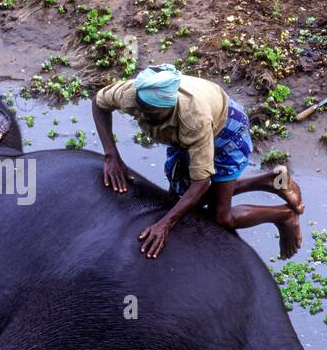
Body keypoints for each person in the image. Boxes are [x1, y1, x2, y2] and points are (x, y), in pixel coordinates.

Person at [91, 64, 304, 259]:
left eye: (152, 114)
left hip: (225, 130)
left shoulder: (193, 120)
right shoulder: (131, 94)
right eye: (141, 109)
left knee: (221, 216)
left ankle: (283, 216)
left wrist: (165, 224)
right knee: (178, 199)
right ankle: (271, 180)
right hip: (182, 136)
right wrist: (112, 155)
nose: (143, 118)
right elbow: (99, 103)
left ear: (170, 107)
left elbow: (201, 183)